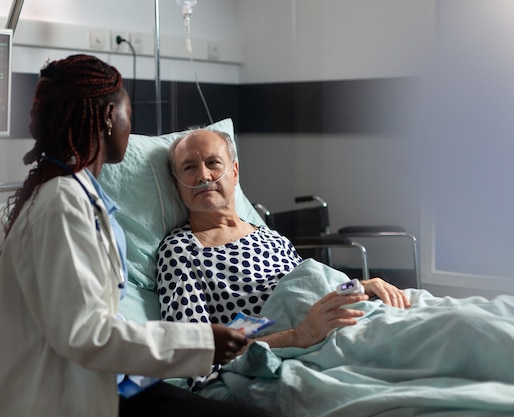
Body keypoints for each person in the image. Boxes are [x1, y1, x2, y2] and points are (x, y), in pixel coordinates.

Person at [0, 55, 272, 417]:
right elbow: (87, 334)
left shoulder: (78, 197)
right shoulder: (62, 206)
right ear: (107, 117)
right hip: (55, 398)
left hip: (101, 382)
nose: (129, 125)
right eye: (127, 114)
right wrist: (203, 341)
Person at [157, 128, 410, 353]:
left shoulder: (270, 237)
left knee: (435, 316)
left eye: (213, 163)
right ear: (177, 186)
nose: (203, 176)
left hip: (355, 316)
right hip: (320, 343)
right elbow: (190, 352)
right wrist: (299, 335)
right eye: (189, 167)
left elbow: (313, 288)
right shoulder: (181, 251)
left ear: (234, 173)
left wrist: (358, 287)